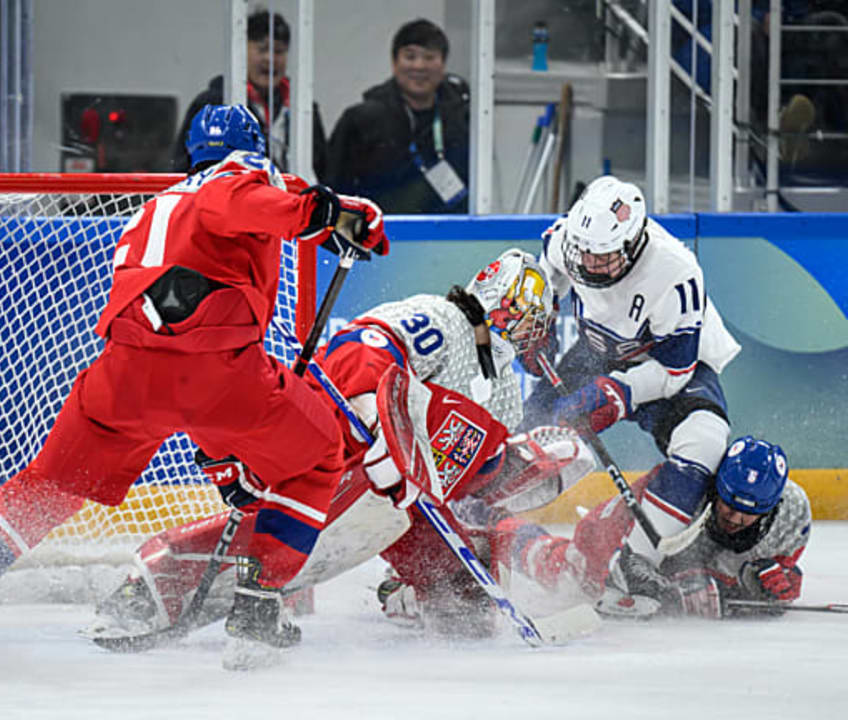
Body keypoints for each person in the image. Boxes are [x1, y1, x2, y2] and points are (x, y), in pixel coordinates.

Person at [0, 104, 389, 670]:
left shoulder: (160, 203)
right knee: (319, 454)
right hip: (216, 370)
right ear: (254, 152)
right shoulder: (236, 177)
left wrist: (335, 213)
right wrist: (318, 211)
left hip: (124, 375)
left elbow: (226, 237)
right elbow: (240, 200)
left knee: (46, 489)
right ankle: (257, 604)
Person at [85, 248, 597, 642]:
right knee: (285, 527)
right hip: (336, 443)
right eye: (534, 317)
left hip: (396, 494)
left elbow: (466, 471)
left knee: (462, 605)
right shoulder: (445, 320)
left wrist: (513, 469)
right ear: (510, 305)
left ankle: (405, 593)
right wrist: (371, 413)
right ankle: (153, 585)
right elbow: (361, 346)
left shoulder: (500, 381)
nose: (538, 331)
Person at [522, 174, 741, 573]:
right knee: (526, 434)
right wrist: (542, 321)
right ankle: (481, 532)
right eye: (584, 252)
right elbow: (547, 273)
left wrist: (615, 393)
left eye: (602, 256)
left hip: (667, 363)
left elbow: (675, 371)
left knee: (705, 441)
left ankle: (636, 563)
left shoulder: (675, 274)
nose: (589, 263)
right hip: (597, 351)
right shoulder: (568, 239)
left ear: (634, 242)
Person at [485, 436, 811, 620]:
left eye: (748, 513)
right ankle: (502, 529)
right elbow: (624, 553)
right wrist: (675, 589)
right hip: (619, 539)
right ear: (716, 487)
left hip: (681, 563)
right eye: (728, 504)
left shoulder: (793, 513)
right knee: (568, 572)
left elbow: (777, 564)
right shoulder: (677, 493)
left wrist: (774, 578)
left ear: (771, 508)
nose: (735, 518)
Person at [325, 18, 470, 214]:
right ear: (394, 63)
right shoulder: (362, 120)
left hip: (451, 234)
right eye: (410, 57)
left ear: (443, 64)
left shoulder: (464, 117)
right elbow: (334, 185)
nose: (419, 66)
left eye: (429, 57)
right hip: (381, 233)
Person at [170, 10, 328, 178]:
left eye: (279, 51)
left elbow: (322, 169)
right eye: (262, 49)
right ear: (241, 50)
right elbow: (185, 168)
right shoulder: (213, 106)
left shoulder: (303, 109)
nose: (270, 59)